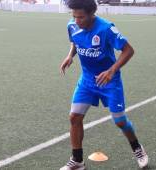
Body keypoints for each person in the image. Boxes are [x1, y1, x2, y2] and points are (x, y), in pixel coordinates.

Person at [59, 0, 148, 169]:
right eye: (74, 16)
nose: (77, 21)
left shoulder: (106, 28)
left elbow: (129, 50)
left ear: (92, 14)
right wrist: (70, 55)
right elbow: (75, 41)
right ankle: (77, 161)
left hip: (109, 81)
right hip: (87, 81)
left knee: (120, 121)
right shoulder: (72, 25)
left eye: (81, 17)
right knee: (74, 117)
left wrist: (112, 70)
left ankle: (137, 148)